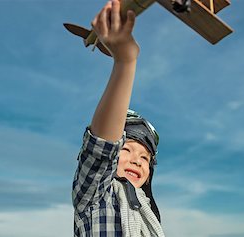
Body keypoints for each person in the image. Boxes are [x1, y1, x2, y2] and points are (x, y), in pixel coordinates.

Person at [72, 0, 165, 236]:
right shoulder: (95, 194)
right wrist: (125, 62)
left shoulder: (147, 212)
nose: (137, 161)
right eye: (127, 150)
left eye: (145, 158)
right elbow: (102, 148)